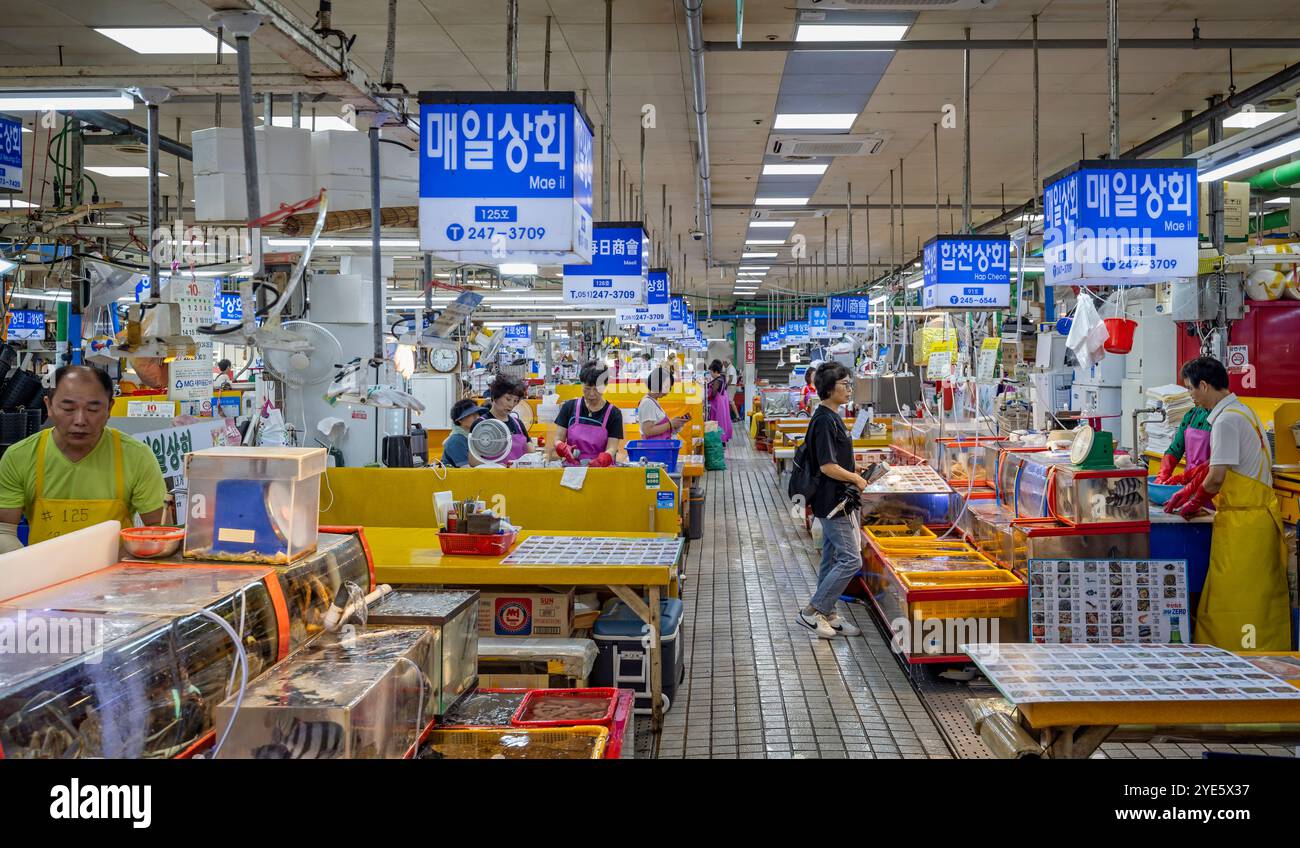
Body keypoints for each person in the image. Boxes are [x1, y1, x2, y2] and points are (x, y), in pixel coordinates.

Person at [1165, 357, 1290, 651]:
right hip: (1253, 520)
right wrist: (1192, 488)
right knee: (1258, 600)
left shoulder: (1225, 421)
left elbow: (1217, 478)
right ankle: (1263, 657)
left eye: (1190, 390)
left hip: (1244, 528)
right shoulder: (1242, 410)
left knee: (1235, 600)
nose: (1190, 397)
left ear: (1204, 386)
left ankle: (1235, 660)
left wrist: (1193, 502)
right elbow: (1221, 466)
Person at [0, 365, 167, 551]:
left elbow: (160, 530)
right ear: (49, 406)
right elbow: (4, 531)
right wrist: (28, 567)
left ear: (109, 408)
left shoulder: (136, 456)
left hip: (114, 574)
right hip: (46, 575)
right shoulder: (20, 456)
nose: (80, 420)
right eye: (68, 408)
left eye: (93, 409)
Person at [796, 362, 865, 639]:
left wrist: (856, 471)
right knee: (851, 559)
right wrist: (856, 479)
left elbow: (836, 459)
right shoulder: (824, 420)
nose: (849, 389)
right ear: (828, 388)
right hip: (832, 501)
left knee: (832, 557)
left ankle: (830, 614)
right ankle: (812, 611)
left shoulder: (833, 415)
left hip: (835, 498)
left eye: (850, 384)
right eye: (844, 384)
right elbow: (826, 466)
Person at [550, 361, 624, 464]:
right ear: (581, 384)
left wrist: (604, 458)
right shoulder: (569, 407)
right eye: (587, 389)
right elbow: (558, 439)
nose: (591, 394)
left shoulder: (614, 414)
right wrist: (561, 447)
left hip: (600, 470)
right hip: (572, 469)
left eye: (597, 389)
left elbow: (612, 448)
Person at [471, 375, 532, 465]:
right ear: (495, 397)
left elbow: (530, 451)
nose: (511, 405)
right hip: (492, 476)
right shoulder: (481, 424)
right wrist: (495, 466)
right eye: (508, 399)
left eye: (516, 401)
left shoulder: (518, 424)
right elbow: (473, 460)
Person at [1153, 403, 1212, 484]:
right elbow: (1175, 449)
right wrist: (1163, 474)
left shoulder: (1221, 418)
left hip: (1211, 482)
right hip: (1189, 483)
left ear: (1205, 389)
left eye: (1192, 389)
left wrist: (1185, 477)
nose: (1190, 394)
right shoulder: (1192, 414)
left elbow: (1217, 462)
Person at [638, 366, 689, 439]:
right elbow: (647, 430)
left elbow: (656, 427)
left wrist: (675, 424)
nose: (667, 392)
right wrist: (670, 424)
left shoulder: (653, 401)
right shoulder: (647, 403)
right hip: (655, 448)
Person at [440, 398, 485, 468]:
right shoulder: (456, 440)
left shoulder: (474, 436)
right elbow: (466, 470)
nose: (477, 417)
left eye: (477, 413)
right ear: (460, 420)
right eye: (471, 414)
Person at [706, 360, 733, 443]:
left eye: (711, 372)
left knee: (717, 420)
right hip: (721, 401)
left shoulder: (718, 380)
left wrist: (707, 397)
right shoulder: (722, 377)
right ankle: (722, 438)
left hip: (716, 402)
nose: (710, 373)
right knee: (722, 420)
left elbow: (713, 393)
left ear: (715, 371)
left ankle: (719, 439)